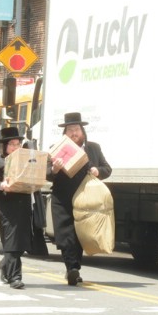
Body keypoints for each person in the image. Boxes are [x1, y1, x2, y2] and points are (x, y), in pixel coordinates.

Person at [47, 112, 112, 286]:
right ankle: (72, 268)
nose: (73, 133)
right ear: (65, 133)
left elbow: (107, 169)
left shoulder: (93, 148)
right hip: (63, 198)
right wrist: (54, 169)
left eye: (76, 129)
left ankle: (74, 267)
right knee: (65, 234)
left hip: (85, 198)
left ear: (82, 131)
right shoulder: (56, 149)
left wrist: (98, 171)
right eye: (70, 130)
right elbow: (47, 174)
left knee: (80, 233)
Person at [0, 127, 32, 289]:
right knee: (12, 243)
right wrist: (1, 185)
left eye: (18, 144)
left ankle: (4, 264)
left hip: (24, 205)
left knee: (21, 243)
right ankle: (15, 277)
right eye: (12, 144)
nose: (15, 147)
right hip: (7, 207)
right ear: (5, 146)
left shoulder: (27, 160)